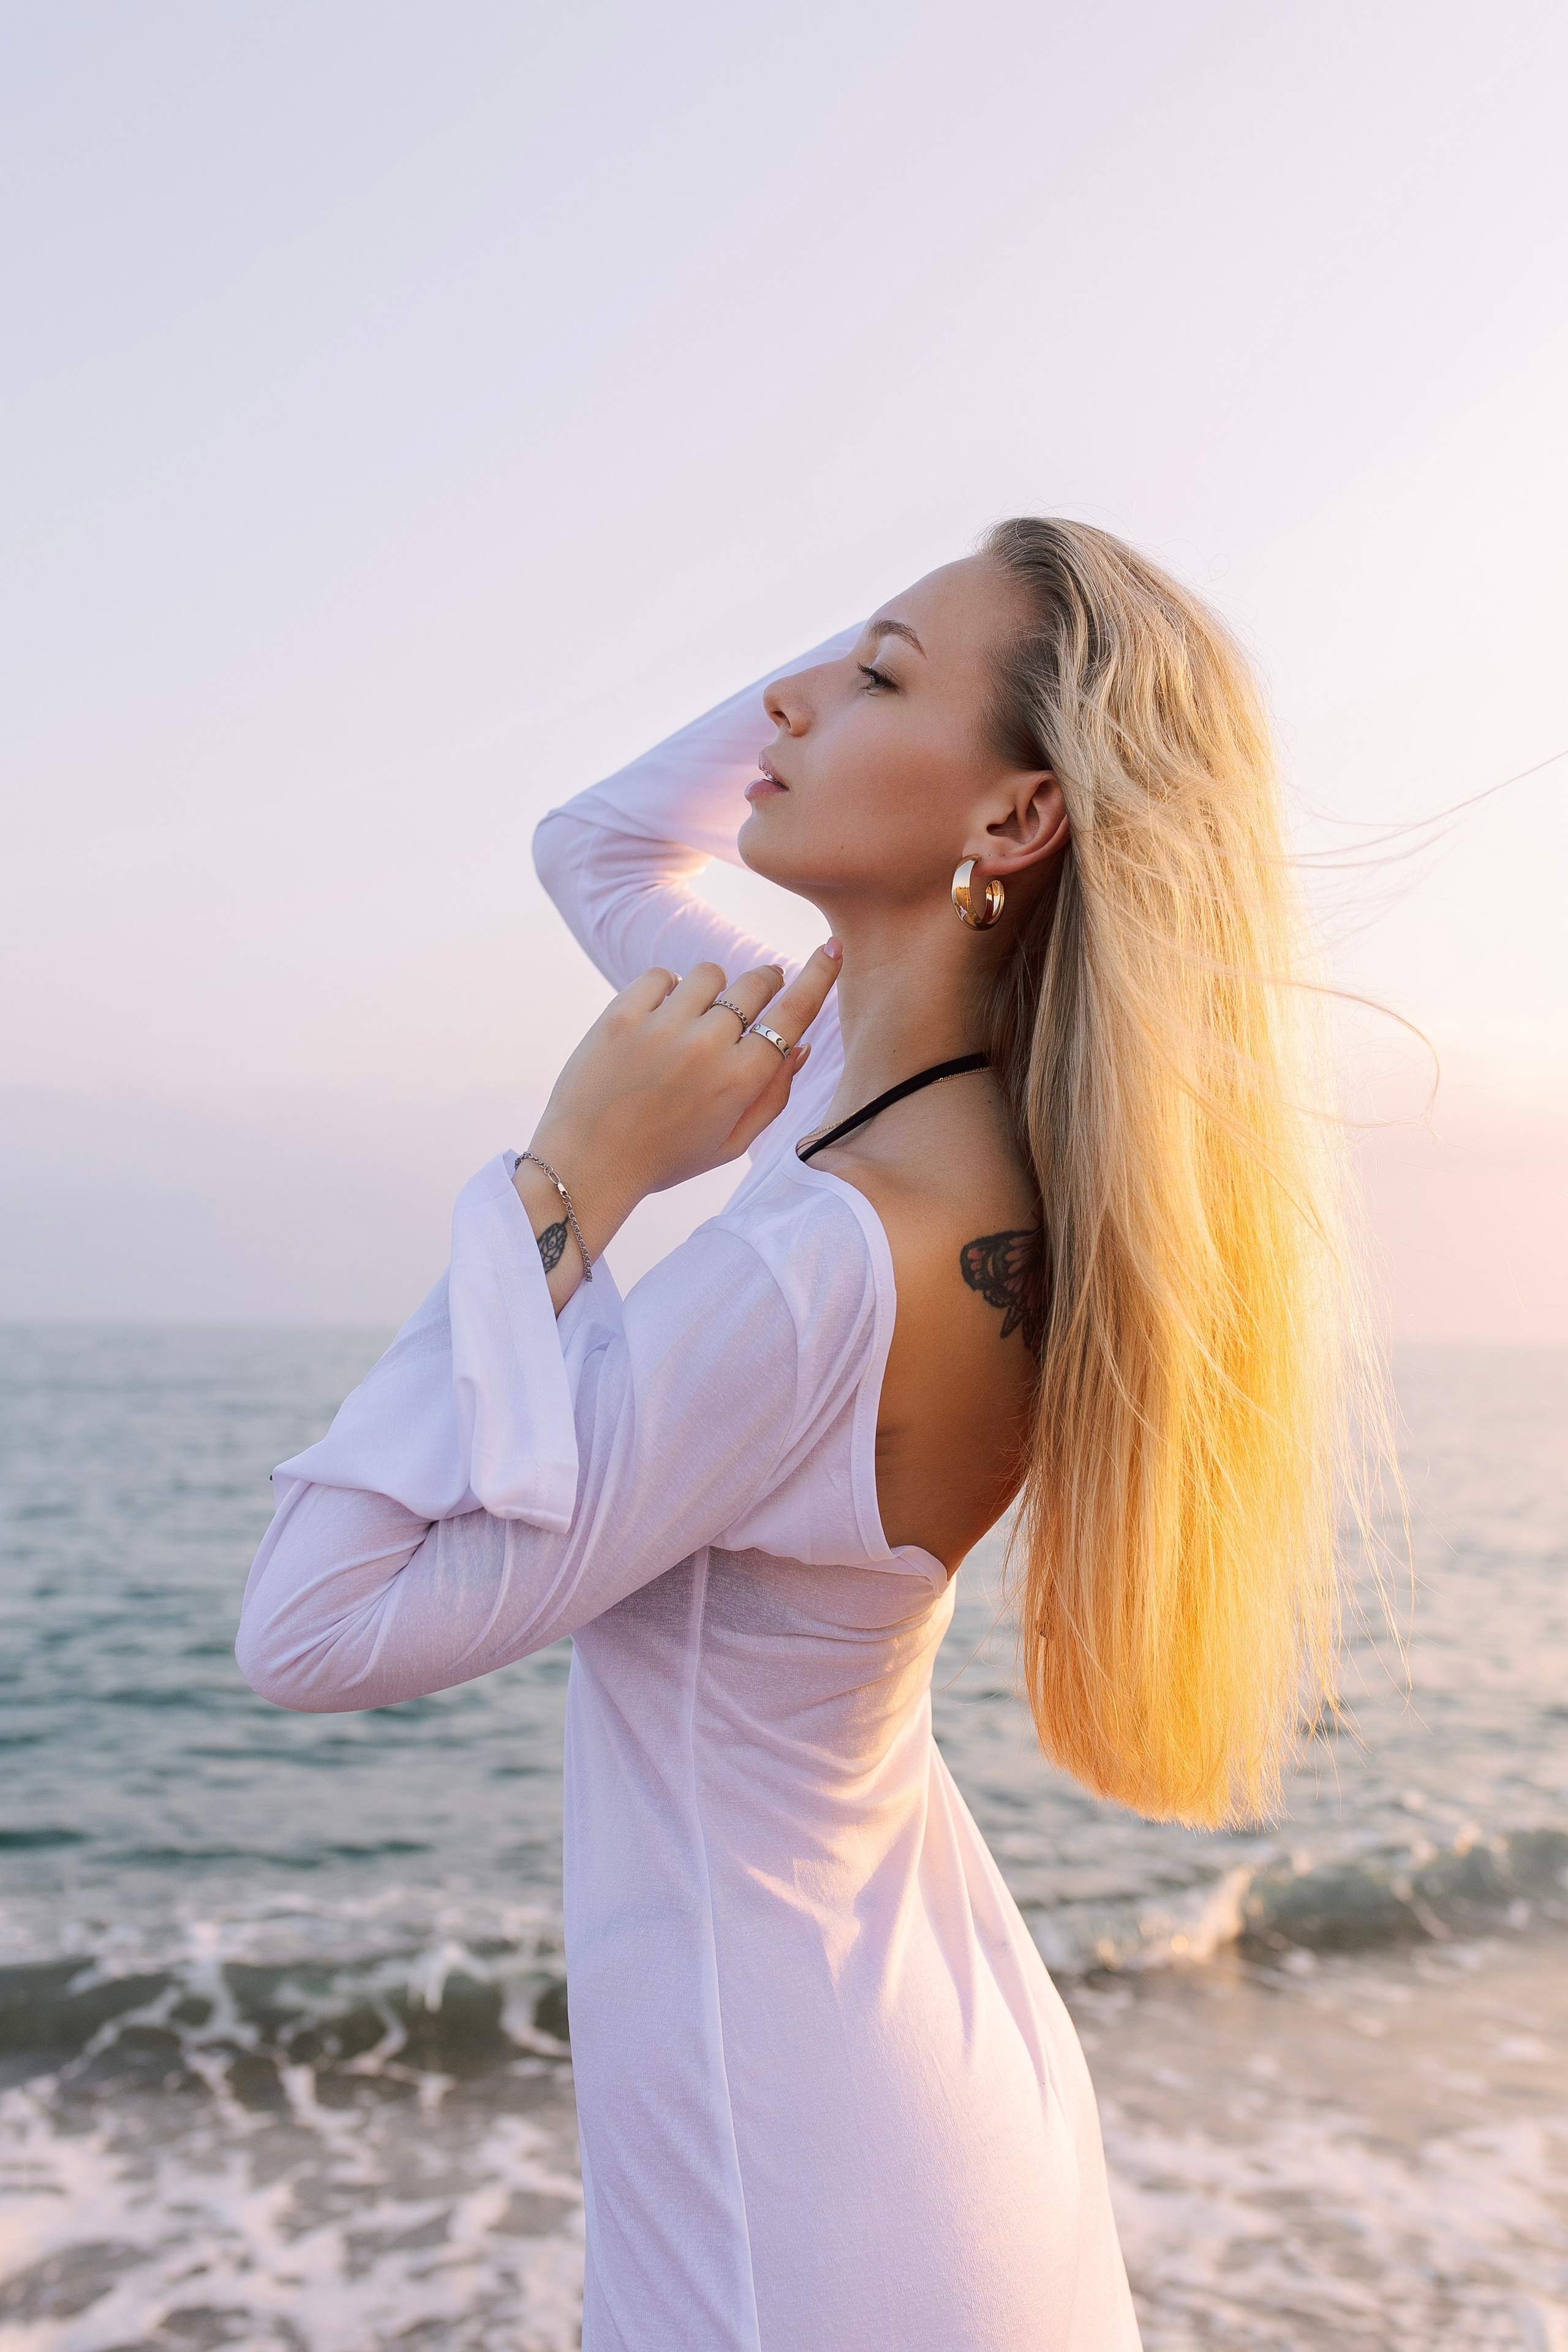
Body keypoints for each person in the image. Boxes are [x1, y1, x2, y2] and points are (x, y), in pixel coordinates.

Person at [238, 518, 1355, 2350]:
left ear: (1012, 823)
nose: (789, 690)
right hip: (901, 2086)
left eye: (880, 677)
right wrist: (965, 613)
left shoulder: (830, 1261)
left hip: (802, 2198)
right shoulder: (924, 1123)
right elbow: (595, 840)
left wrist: (569, 1179)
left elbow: (313, 1621)